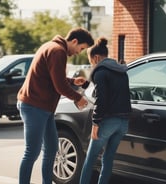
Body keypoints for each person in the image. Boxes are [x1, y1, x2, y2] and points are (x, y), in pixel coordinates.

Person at [17, 27, 94, 184]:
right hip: (34, 106)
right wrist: (77, 98)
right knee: (32, 151)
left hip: (43, 108)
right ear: (74, 41)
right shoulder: (57, 51)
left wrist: (72, 82)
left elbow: (52, 76)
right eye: (81, 48)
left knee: (52, 148)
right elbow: (59, 86)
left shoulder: (51, 47)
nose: (80, 52)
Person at [79, 37, 132, 184]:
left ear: (96, 58)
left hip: (108, 122)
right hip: (123, 123)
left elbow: (101, 99)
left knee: (90, 160)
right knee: (108, 158)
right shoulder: (121, 70)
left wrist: (95, 123)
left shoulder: (100, 72)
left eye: (90, 61)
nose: (91, 65)